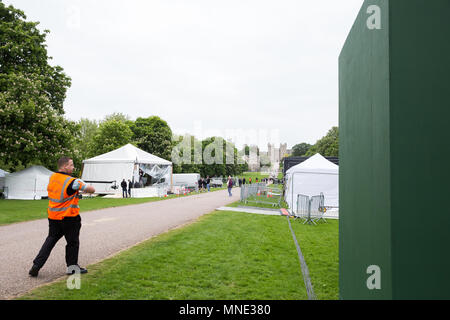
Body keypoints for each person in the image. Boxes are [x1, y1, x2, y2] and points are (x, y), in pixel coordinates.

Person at [28, 157, 95, 277]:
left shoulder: (52, 177)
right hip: (69, 217)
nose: (73, 167)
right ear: (64, 167)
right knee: (72, 243)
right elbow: (91, 189)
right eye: (71, 165)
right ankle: (72, 268)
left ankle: (36, 265)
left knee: (50, 240)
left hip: (53, 216)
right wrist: (83, 187)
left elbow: (61, 193)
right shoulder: (72, 181)